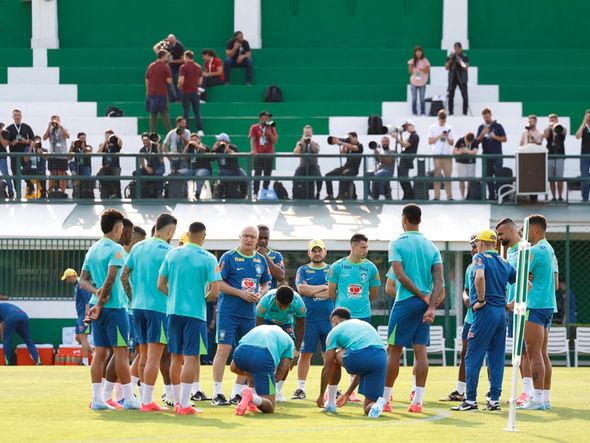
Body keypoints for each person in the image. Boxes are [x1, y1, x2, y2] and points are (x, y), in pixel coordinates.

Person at [384, 204, 443, 413]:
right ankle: (417, 401)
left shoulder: (397, 242)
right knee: (420, 351)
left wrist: (420, 295)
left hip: (406, 302)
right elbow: (439, 280)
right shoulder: (431, 246)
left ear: (404, 219)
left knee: (393, 350)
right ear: (420, 220)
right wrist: (431, 305)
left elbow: (399, 276)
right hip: (425, 305)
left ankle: (386, 400)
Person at [158, 221, 221, 415]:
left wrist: (176, 297)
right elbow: (215, 292)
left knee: (175, 357)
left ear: (188, 234)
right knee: (191, 357)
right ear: (203, 236)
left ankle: (177, 401)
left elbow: (160, 284)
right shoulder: (209, 258)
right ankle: (184, 404)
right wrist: (199, 300)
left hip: (173, 312)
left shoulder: (172, 254)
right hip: (195, 314)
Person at [80, 208, 140, 410]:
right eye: (121, 228)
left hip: (97, 308)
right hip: (114, 308)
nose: (122, 231)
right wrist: (100, 301)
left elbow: (83, 281)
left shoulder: (93, 249)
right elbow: (112, 277)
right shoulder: (117, 250)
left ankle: (97, 399)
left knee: (100, 353)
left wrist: (95, 294)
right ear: (117, 228)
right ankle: (130, 398)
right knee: (121, 352)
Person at [452, 229, 516, 412]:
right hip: (500, 314)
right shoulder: (504, 262)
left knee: (472, 356)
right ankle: (494, 400)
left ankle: (471, 400)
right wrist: (510, 305)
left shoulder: (479, 258)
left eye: (477, 242)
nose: (475, 246)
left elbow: (479, 277)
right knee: (496, 358)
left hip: (485, 312)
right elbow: (525, 283)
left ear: (481, 243)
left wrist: (480, 300)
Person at [121, 213, 176, 412]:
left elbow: (123, 276)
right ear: (170, 231)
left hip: (137, 307)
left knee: (142, 356)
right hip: (158, 308)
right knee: (154, 357)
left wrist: (131, 297)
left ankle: (142, 399)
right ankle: (147, 401)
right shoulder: (169, 251)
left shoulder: (138, 247)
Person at [211, 226, 271, 406]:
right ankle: (217, 392)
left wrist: (261, 293)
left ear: (258, 239)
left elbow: (265, 283)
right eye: (245, 236)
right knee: (223, 349)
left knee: (247, 352)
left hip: (249, 314)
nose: (249, 240)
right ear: (239, 237)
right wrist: (240, 293)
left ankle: (237, 393)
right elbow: (219, 283)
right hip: (228, 311)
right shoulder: (228, 257)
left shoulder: (261, 260)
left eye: (253, 237)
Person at [519, 215, 558, 410]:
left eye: (524, 229)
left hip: (535, 306)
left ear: (534, 230)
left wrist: (525, 273)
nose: (522, 233)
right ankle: (544, 398)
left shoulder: (534, 250)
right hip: (548, 305)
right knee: (542, 352)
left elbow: (518, 274)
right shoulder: (550, 249)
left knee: (532, 352)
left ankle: (537, 399)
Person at [316, 308, 387, 417]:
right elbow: (362, 369)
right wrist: (348, 393)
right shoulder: (361, 324)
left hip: (362, 355)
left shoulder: (334, 331)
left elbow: (327, 367)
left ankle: (330, 403)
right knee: (368, 408)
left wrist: (321, 395)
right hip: (381, 358)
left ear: (334, 320)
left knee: (333, 357)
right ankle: (376, 406)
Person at [293, 239, 332, 400]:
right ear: (309, 253)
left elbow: (333, 291)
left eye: (319, 250)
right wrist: (323, 288)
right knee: (305, 354)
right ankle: (300, 388)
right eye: (314, 250)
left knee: (329, 355)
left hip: (329, 319)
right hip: (308, 320)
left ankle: (331, 388)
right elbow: (301, 289)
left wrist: (312, 291)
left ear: (325, 252)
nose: (317, 253)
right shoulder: (302, 270)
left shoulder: (332, 269)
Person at [440, 235, 477, 402]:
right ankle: (460, 391)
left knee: (490, 356)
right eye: (471, 246)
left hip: (486, 317)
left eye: (475, 245)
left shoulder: (494, 264)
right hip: (470, 318)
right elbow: (466, 290)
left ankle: (492, 392)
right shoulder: (470, 267)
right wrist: (465, 297)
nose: (473, 249)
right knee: (465, 354)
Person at [255, 285, 306, 401]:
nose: (282, 309)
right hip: (268, 322)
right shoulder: (266, 301)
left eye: (286, 306)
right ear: (276, 300)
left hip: (286, 324)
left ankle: (277, 390)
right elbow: (258, 325)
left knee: (288, 357)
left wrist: (296, 350)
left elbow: (301, 326)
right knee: (265, 355)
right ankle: (261, 388)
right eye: (280, 305)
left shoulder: (299, 303)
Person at [231, 324, 294, 415]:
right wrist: (267, 381)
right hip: (263, 356)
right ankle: (252, 397)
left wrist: (254, 375)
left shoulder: (257, 329)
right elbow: (281, 371)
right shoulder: (289, 341)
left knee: (252, 370)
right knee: (270, 406)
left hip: (241, 353)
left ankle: (250, 399)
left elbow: (233, 368)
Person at [328, 233, 380, 323]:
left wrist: (360, 302)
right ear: (353, 247)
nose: (366, 250)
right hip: (342, 316)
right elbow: (331, 293)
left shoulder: (371, 268)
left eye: (367, 247)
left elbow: (374, 294)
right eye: (363, 247)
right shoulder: (337, 266)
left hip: (364, 315)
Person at [62, 268, 93, 366]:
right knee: (77, 338)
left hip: (84, 316)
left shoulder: (81, 285)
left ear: (72, 277)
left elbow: (88, 300)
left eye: (67, 278)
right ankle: (94, 353)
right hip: (80, 315)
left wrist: (87, 316)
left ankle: (85, 362)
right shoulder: (77, 285)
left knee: (83, 338)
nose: (66, 281)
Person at [476, 108, 507, 200]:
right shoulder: (481, 127)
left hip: (497, 154)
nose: (486, 118)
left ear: (491, 115)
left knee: (498, 175)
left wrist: (495, 137)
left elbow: (505, 139)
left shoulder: (498, 126)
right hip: (486, 155)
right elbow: (477, 141)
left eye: (488, 116)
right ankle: (491, 195)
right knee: (488, 175)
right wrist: (482, 134)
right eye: (484, 117)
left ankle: (499, 194)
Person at [4, 109, 35, 198]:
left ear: (21, 116)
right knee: (15, 174)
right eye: (15, 115)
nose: (17, 117)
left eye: (18, 115)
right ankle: (18, 194)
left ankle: (30, 192)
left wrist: (25, 141)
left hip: (25, 155)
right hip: (14, 156)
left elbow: (33, 140)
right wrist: (12, 142)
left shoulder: (26, 127)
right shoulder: (9, 128)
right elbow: (6, 143)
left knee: (27, 172)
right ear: (13, 117)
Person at [324, 132, 364, 200]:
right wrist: (343, 144)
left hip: (353, 169)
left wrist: (342, 142)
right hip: (345, 167)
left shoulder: (360, 146)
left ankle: (341, 195)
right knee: (327, 175)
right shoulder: (348, 146)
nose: (349, 139)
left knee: (344, 174)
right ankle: (330, 195)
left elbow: (354, 148)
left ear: (355, 137)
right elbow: (343, 154)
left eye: (350, 138)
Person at [249, 111, 278, 198]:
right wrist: (253, 150)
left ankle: (265, 192)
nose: (267, 120)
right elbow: (252, 139)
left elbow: (275, 140)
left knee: (267, 174)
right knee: (257, 173)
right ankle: (255, 192)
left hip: (269, 154)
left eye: (268, 118)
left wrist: (269, 134)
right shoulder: (254, 127)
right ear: (260, 119)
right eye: (265, 118)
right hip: (259, 154)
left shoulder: (271, 128)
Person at [428, 110, 454, 201]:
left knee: (448, 177)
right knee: (437, 177)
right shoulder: (432, 128)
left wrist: (446, 136)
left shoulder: (449, 128)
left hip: (447, 155)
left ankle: (449, 197)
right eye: (441, 119)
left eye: (444, 120)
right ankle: (436, 196)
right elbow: (430, 142)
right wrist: (440, 135)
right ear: (438, 118)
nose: (442, 121)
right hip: (437, 155)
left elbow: (451, 143)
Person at [213, 133, 248, 199]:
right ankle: (225, 194)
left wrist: (227, 149)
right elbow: (211, 159)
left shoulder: (233, 147)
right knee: (228, 191)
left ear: (224, 140)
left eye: (218, 140)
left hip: (235, 170)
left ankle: (244, 195)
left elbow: (236, 155)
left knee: (245, 178)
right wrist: (213, 149)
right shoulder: (218, 149)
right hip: (223, 171)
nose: (217, 141)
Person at [145, 50, 173, 133]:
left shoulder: (151, 66)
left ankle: (152, 132)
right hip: (161, 93)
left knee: (153, 113)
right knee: (164, 113)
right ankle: (169, 131)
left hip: (151, 93)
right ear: (163, 56)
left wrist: (147, 90)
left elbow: (147, 79)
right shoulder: (165, 67)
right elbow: (169, 81)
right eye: (166, 56)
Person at [178, 50, 204, 136]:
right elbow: (200, 81)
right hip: (195, 92)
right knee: (197, 111)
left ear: (186, 57)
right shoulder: (198, 67)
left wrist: (179, 85)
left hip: (186, 91)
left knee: (186, 111)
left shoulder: (183, 67)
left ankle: (186, 129)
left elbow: (181, 80)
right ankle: (200, 129)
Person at [42, 115, 69, 194]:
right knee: (52, 174)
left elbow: (67, 136)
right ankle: (50, 192)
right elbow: (44, 138)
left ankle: (62, 192)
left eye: (56, 120)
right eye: (53, 120)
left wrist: (60, 126)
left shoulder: (63, 128)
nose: (55, 122)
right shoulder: (50, 129)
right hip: (52, 154)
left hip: (62, 154)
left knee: (62, 174)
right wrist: (48, 126)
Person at [153, 34, 185, 102]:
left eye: (172, 42)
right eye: (169, 42)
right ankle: (172, 98)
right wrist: (160, 54)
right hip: (167, 67)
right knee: (168, 83)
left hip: (177, 67)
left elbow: (183, 59)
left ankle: (180, 99)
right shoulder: (165, 43)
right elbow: (155, 47)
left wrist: (172, 61)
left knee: (177, 82)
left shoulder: (179, 46)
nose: (170, 43)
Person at [293, 125, 322, 199]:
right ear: (304, 133)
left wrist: (310, 142)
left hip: (313, 166)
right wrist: (301, 143)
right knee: (295, 177)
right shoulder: (300, 142)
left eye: (309, 132)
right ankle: (295, 195)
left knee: (320, 178)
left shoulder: (315, 142)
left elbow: (316, 150)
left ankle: (318, 193)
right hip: (303, 166)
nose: (308, 134)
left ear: (312, 133)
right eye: (306, 132)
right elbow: (296, 152)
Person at [544, 114, 567, 202]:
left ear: (557, 120)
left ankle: (560, 196)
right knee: (551, 178)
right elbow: (545, 136)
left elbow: (564, 132)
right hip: (550, 156)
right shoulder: (548, 129)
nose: (552, 121)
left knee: (559, 178)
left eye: (554, 119)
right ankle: (553, 197)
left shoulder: (561, 128)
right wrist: (550, 127)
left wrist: (556, 126)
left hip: (560, 156)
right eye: (550, 119)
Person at [395, 120, 419, 200]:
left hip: (407, 159)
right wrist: (400, 136)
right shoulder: (411, 136)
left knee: (404, 178)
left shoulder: (414, 136)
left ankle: (410, 196)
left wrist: (396, 138)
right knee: (401, 178)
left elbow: (405, 145)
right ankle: (407, 195)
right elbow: (404, 147)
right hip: (405, 158)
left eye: (407, 126)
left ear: (411, 125)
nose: (406, 128)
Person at [184, 133, 212, 200]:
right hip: (192, 170)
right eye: (192, 140)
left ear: (199, 140)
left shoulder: (205, 146)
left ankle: (197, 193)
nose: (193, 141)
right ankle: (184, 193)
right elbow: (183, 157)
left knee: (200, 175)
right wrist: (187, 146)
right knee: (181, 174)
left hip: (204, 169)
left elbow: (204, 150)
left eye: (195, 139)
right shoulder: (190, 148)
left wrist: (196, 145)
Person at [256, 224, 285, 289]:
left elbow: (281, 277)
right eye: (260, 237)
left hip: (269, 297)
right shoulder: (247, 254)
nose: (263, 241)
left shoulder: (276, 255)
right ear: (255, 237)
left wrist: (264, 255)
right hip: (250, 295)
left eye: (266, 238)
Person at [445, 42, 469, 116]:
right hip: (453, 78)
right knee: (451, 95)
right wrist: (450, 61)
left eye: (458, 48)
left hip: (462, 78)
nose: (457, 50)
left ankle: (464, 113)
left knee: (464, 95)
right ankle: (451, 112)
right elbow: (446, 67)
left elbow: (465, 67)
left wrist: (459, 60)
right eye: (455, 48)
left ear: (461, 49)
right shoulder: (450, 56)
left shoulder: (465, 56)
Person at [97, 130, 123, 199]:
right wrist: (105, 141)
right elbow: (98, 153)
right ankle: (111, 193)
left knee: (116, 181)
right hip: (106, 167)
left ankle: (117, 196)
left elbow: (120, 144)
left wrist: (116, 137)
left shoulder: (115, 144)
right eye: (106, 135)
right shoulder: (103, 145)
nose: (108, 137)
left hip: (115, 166)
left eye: (109, 136)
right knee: (99, 175)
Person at [453, 132, 478, 199]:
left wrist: (467, 151)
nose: (468, 143)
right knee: (461, 180)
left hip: (471, 163)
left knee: (470, 180)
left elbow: (475, 152)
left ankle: (469, 195)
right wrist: (460, 152)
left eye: (470, 142)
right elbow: (454, 151)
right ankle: (462, 196)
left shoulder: (475, 141)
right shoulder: (460, 140)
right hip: (461, 162)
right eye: (467, 141)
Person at [408, 46, 430, 116]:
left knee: (422, 98)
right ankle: (414, 112)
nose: (418, 53)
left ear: (422, 52)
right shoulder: (412, 61)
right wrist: (411, 66)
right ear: (414, 53)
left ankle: (423, 112)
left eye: (419, 51)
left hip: (422, 82)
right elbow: (410, 72)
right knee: (414, 98)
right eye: (416, 51)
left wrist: (420, 69)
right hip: (414, 82)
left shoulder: (425, 60)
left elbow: (427, 70)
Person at [69, 134, 93, 199]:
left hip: (86, 166)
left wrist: (83, 148)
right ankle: (74, 173)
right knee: (71, 163)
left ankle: (86, 193)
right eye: (81, 139)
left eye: (84, 138)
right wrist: (72, 146)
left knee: (86, 175)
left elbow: (89, 151)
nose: (83, 140)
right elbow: (69, 157)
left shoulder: (88, 146)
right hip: (77, 167)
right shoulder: (75, 148)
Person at [574, 109, 590, 202]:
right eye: (587, 116)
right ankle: (585, 198)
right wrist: (583, 123)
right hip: (584, 155)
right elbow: (577, 136)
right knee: (584, 176)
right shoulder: (583, 127)